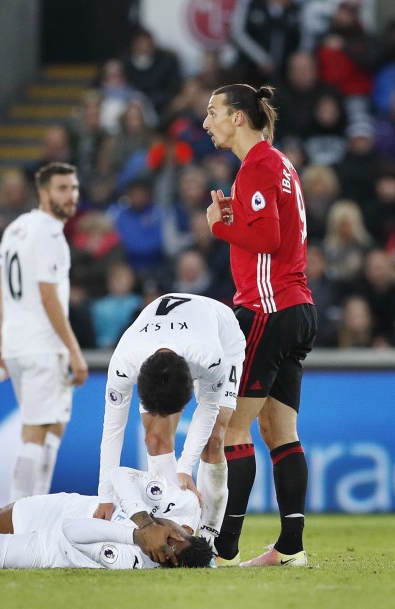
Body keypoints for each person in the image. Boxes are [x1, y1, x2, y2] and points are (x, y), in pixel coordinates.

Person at [203, 83, 316, 567]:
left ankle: (223, 547)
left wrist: (218, 225)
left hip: (266, 310)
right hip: (296, 308)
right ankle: (291, 547)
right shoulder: (281, 164)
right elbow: (274, 230)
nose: (207, 122)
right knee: (280, 430)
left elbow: (266, 237)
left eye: (213, 113)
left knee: (231, 430)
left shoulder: (256, 167)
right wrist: (236, 221)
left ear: (239, 119)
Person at [93, 293, 246, 556]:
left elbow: (208, 407)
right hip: (162, 338)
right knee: (155, 439)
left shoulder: (209, 356)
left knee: (215, 437)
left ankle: (210, 541)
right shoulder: (124, 362)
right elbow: (113, 428)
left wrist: (185, 467)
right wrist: (104, 497)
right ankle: (172, 527)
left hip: (223, 332)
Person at [0, 466, 211, 570]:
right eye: (170, 539)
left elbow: (71, 533)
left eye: (164, 553)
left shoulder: (134, 560)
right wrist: (144, 521)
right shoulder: (183, 506)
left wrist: (136, 537)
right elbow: (121, 475)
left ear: (169, 564)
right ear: (182, 534)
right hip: (74, 506)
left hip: (55, 549)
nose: (163, 544)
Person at [0, 162, 89, 501]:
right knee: (35, 431)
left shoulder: (16, 227)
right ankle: (16, 516)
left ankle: (34, 508)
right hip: (43, 346)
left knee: (52, 427)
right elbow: (48, 296)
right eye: (62, 188)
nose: (71, 195)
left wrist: (0, 342)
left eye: (74, 188)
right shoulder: (49, 233)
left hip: (18, 344)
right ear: (44, 193)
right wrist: (74, 351)